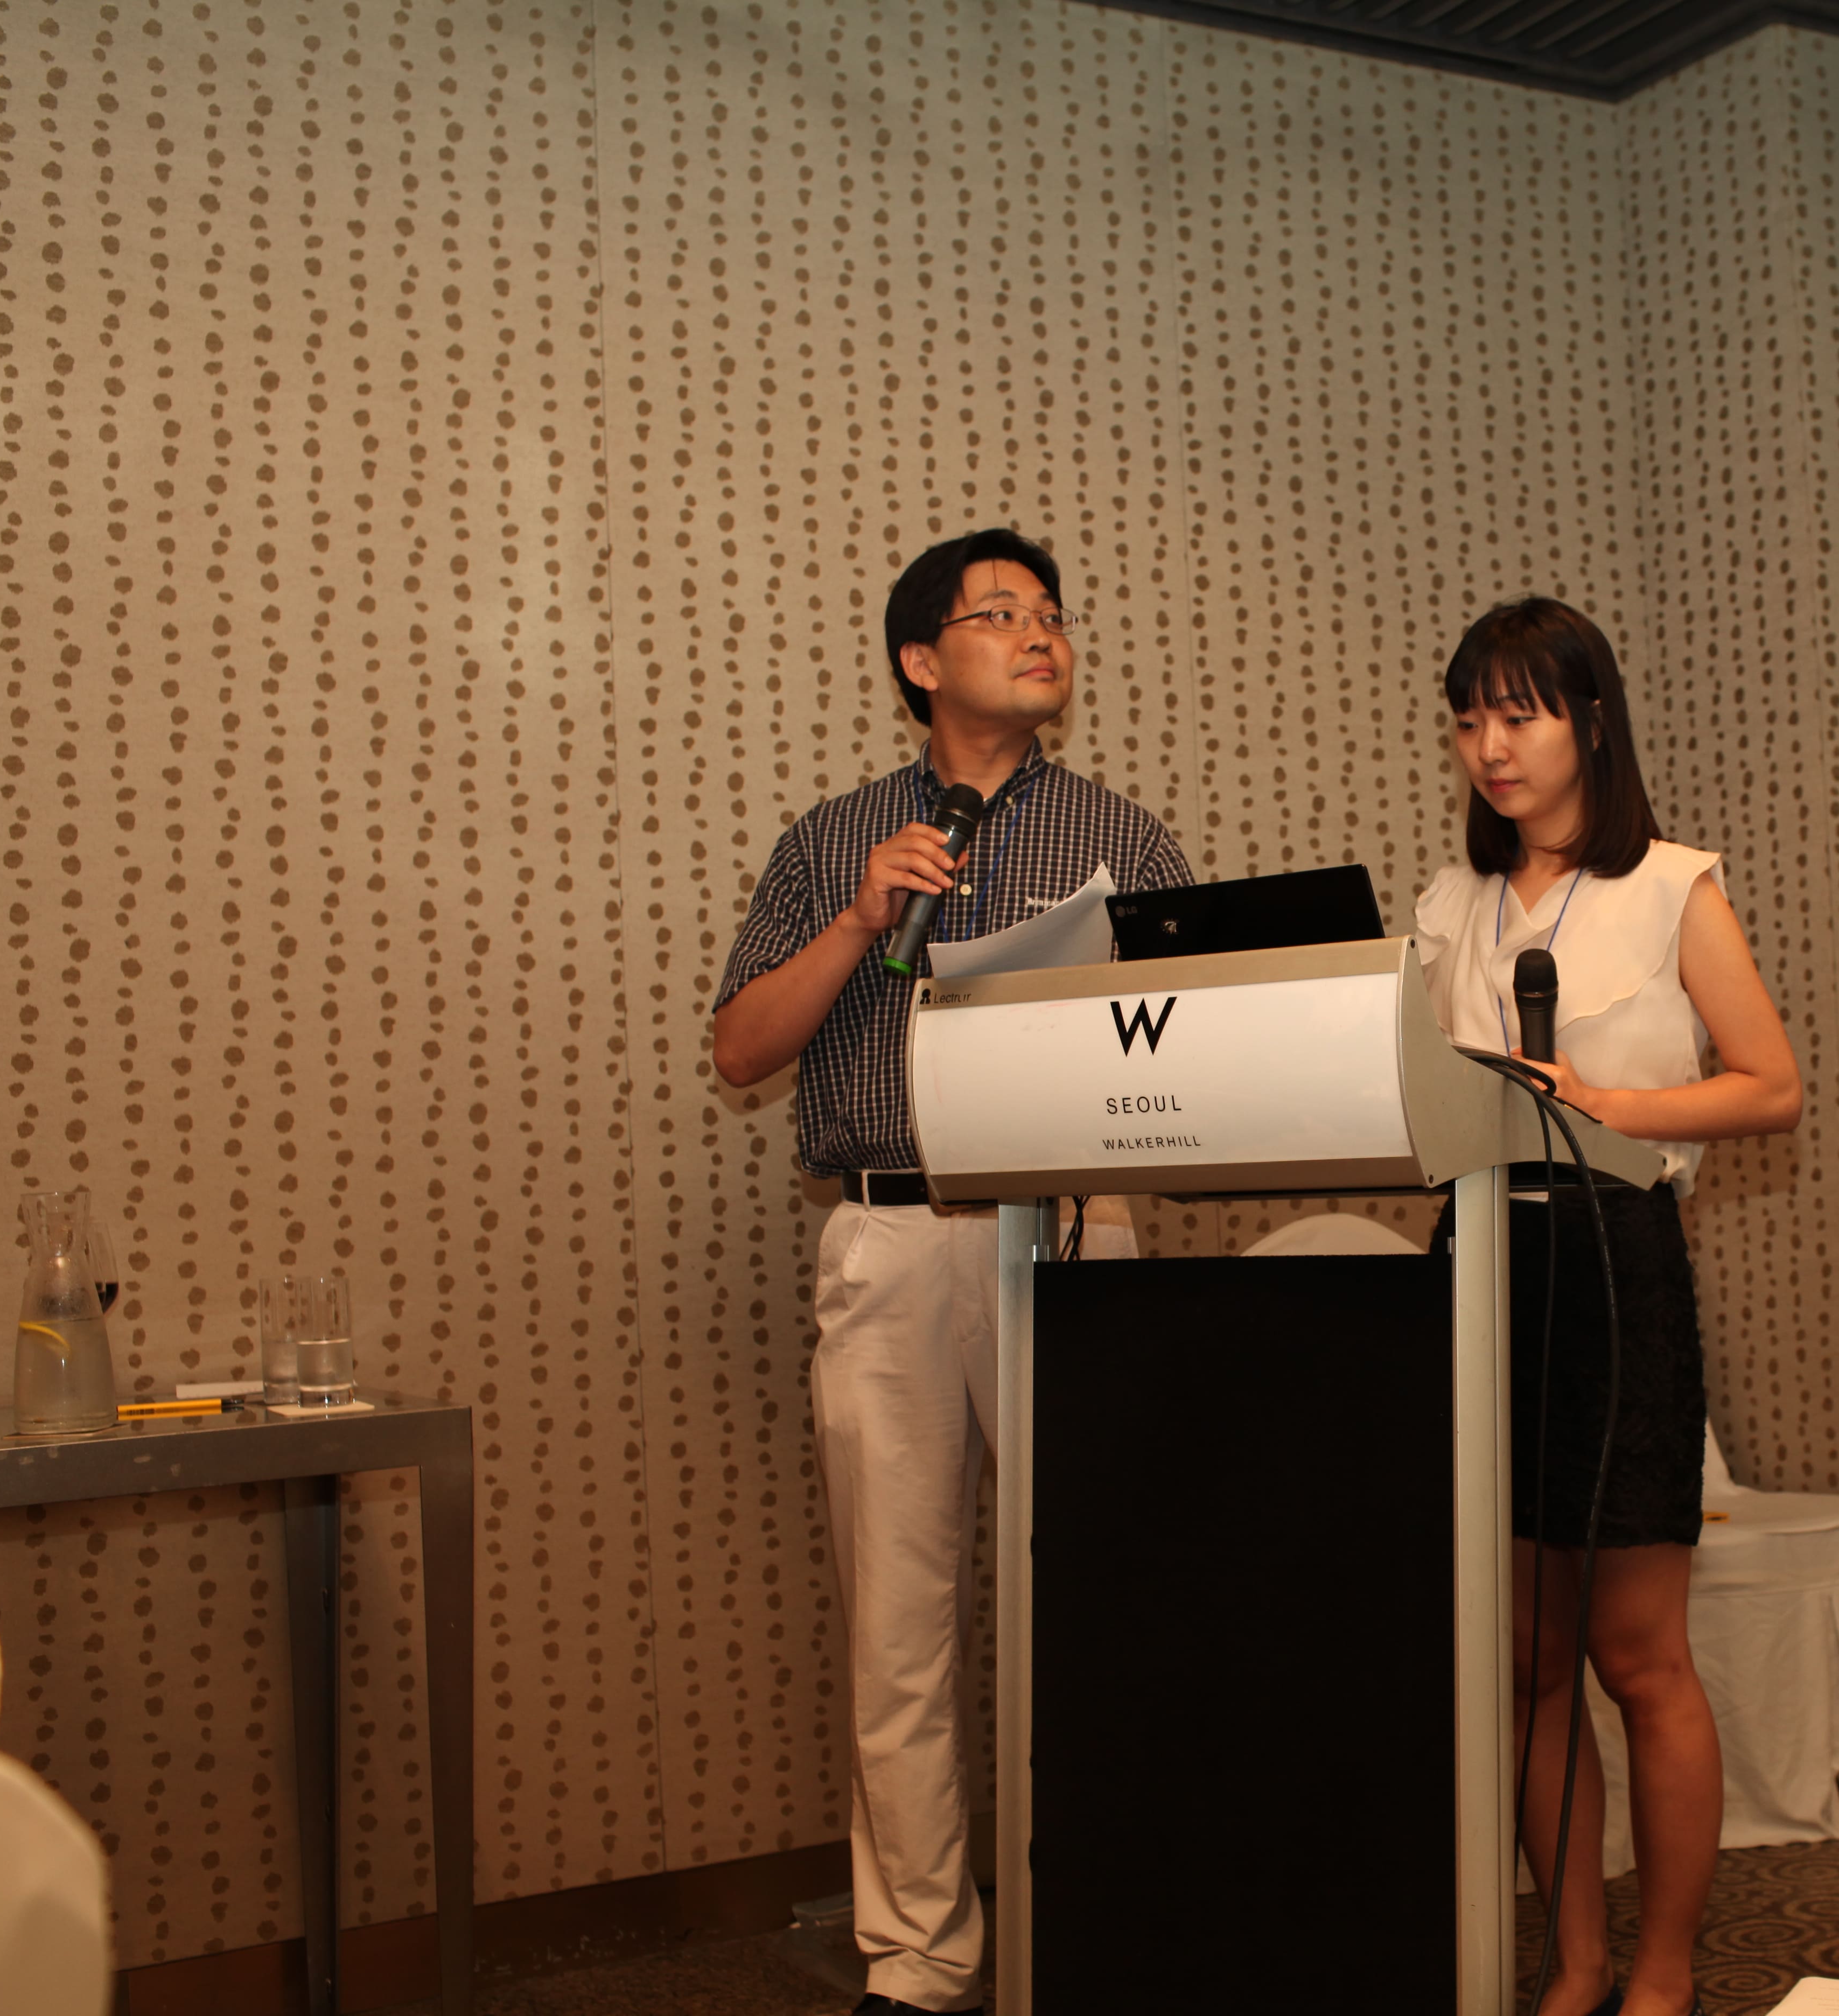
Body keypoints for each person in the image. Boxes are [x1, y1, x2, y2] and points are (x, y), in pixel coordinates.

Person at [711, 529, 1192, 2016]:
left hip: (1077, 1229)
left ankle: (1103, 1923)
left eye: (1051, 613)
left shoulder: (1122, 838)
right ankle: (921, 1956)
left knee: (1102, 1600)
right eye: (1000, 614)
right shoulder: (835, 839)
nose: (1040, 634)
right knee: (899, 1626)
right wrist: (863, 921)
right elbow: (739, 1049)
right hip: (895, 1236)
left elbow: (1191, 1041)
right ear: (923, 662)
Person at [1415, 598, 1801, 2016]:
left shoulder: (1673, 886)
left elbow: (1771, 1086)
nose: (1491, 747)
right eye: (1470, 720)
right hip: (1477, 1262)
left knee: (1637, 1657)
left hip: (1613, 1259)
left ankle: (1663, 1972)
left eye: (1518, 715)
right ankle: (1576, 1964)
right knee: (1526, 1660)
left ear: (1589, 721)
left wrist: (1609, 1106)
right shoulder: (1448, 904)